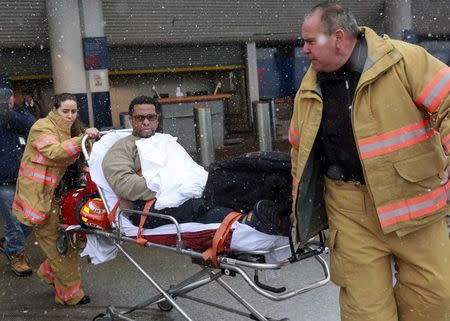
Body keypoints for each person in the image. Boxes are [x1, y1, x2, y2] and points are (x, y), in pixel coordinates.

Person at [289, 2, 450, 321]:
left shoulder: (403, 60)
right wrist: (298, 208)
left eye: (310, 41)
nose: (304, 50)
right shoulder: (309, 88)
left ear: (338, 37)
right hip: (349, 211)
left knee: (435, 297)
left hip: (412, 201)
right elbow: (299, 152)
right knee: (366, 312)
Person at [102, 96, 289, 235]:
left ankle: (279, 206)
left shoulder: (167, 141)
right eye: (139, 118)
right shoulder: (122, 148)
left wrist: (193, 181)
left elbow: (186, 167)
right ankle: (246, 222)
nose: (145, 122)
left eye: (150, 117)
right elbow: (123, 182)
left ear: (157, 119)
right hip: (150, 205)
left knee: (231, 178)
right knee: (199, 207)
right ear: (131, 120)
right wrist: (168, 185)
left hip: (190, 188)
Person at [12, 93, 100, 306]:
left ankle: (50, 273)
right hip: (40, 200)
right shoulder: (42, 127)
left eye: (73, 111)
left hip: (63, 197)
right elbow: (54, 152)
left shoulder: (72, 129)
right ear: (54, 108)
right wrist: (82, 140)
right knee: (58, 248)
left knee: (71, 243)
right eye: (65, 111)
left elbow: (84, 154)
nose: (70, 116)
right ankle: (70, 295)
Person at [0, 83, 36, 276]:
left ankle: (10, 242)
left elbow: (31, 125)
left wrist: (8, 112)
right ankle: (16, 254)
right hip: (3, 180)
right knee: (14, 219)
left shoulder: (17, 115)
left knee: (31, 218)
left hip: (24, 177)